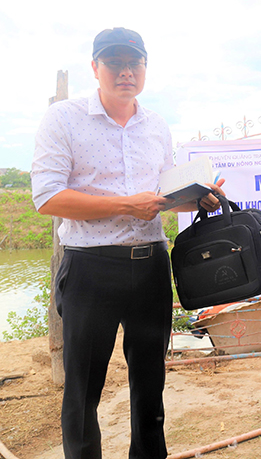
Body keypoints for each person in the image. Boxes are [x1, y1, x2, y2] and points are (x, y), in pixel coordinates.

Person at [31, 27, 225, 459]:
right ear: (95, 67)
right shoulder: (64, 118)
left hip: (151, 264)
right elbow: (47, 197)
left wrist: (197, 198)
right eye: (115, 63)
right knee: (82, 390)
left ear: (144, 67)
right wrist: (123, 205)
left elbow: (161, 198)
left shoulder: (155, 124)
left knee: (150, 385)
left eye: (134, 62)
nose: (125, 72)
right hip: (89, 268)